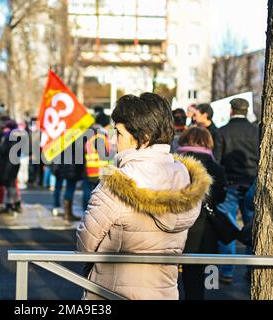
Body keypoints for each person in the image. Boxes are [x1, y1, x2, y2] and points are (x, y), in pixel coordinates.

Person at [77, 93, 212, 300]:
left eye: (119, 133)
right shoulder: (184, 177)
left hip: (112, 292)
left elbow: (85, 245)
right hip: (164, 292)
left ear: (144, 137)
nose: (113, 140)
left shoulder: (116, 183)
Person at [177, 127, 227, 300]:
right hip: (202, 232)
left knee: (167, 280)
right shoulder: (216, 169)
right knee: (195, 280)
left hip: (173, 229)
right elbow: (220, 197)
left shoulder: (174, 164)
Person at [216, 98, 259, 283]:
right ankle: (252, 270)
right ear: (247, 110)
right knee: (253, 228)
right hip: (251, 184)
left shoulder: (222, 132)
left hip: (231, 185)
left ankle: (227, 271)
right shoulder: (257, 132)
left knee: (228, 227)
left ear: (232, 110)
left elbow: (217, 161)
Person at [82, 109, 112, 211]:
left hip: (90, 168)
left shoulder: (91, 134)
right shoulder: (100, 136)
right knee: (96, 197)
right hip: (99, 170)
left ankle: (86, 212)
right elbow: (106, 155)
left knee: (88, 193)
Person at [0, 120, 23, 214]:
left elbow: (2, 150)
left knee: (9, 185)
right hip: (14, 163)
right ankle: (16, 203)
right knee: (11, 185)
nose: (4, 129)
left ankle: (9, 205)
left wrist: (1, 142)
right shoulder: (18, 137)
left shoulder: (9, 138)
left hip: (8, 164)